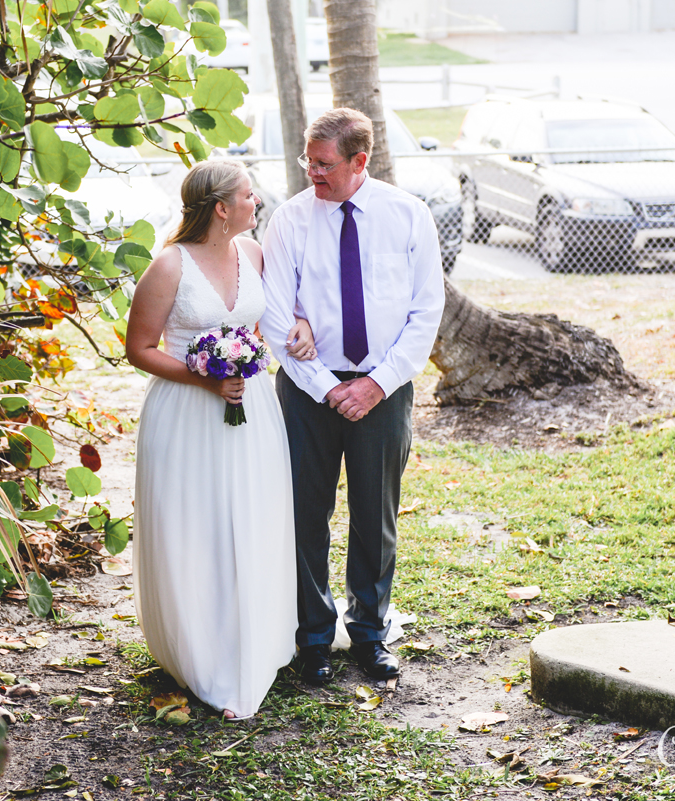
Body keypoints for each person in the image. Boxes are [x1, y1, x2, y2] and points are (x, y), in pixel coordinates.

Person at [125, 160, 318, 720]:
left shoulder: (253, 254)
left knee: (253, 517)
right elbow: (139, 348)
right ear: (220, 207)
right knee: (196, 525)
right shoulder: (168, 267)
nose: (257, 204)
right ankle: (201, 653)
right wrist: (203, 377)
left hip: (252, 406)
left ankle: (254, 638)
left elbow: (268, 323)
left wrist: (298, 327)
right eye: (249, 196)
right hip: (186, 411)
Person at [260, 108, 446, 684]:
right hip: (307, 391)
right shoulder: (289, 220)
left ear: (359, 161)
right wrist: (329, 387)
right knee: (303, 515)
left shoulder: (409, 215)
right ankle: (313, 638)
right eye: (307, 162)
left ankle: (369, 633)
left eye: (324, 164)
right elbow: (273, 313)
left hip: (383, 390)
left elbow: (425, 311)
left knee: (375, 515)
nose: (312, 174)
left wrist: (374, 385)